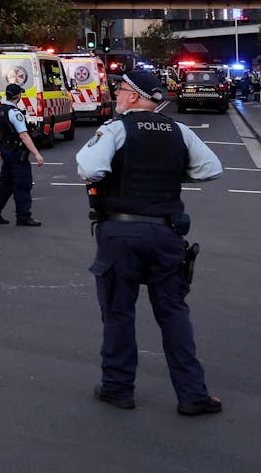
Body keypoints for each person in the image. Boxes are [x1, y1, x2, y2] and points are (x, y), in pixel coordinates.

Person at [77, 68, 224, 416]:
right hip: (166, 234)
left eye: (119, 90)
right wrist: (172, 171)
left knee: (118, 312)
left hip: (121, 233)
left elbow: (90, 169)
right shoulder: (180, 131)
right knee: (173, 314)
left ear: (132, 95)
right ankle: (192, 395)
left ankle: (118, 388)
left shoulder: (116, 128)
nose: (116, 95)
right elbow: (211, 169)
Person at [0, 83, 45, 226]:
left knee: (5, 184)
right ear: (18, 96)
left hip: (6, 150)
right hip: (17, 152)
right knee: (23, 184)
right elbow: (24, 136)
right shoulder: (15, 113)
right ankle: (23, 217)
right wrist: (37, 154)